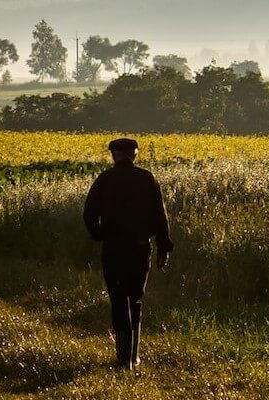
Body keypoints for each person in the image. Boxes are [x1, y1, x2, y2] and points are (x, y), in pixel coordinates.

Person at [83, 138, 173, 370]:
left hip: (113, 248)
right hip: (140, 247)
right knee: (136, 299)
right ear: (135, 155)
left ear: (113, 155)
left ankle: (123, 358)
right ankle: (134, 357)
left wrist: (99, 235)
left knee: (118, 298)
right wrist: (164, 246)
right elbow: (160, 216)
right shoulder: (147, 178)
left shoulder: (105, 179)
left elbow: (89, 213)